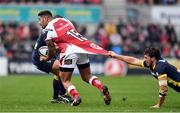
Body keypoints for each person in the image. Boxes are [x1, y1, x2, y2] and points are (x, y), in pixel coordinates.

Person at [37, 10, 111, 106]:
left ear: (45, 18)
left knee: (65, 80)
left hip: (68, 52)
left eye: (39, 20)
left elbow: (51, 50)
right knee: (87, 76)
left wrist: (46, 59)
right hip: (81, 49)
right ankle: (101, 87)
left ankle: (75, 97)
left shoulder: (47, 31)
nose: (39, 23)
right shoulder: (66, 21)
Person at [109, 47, 180, 108]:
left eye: (146, 58)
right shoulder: (152, 63)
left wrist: (158, 105)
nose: (144, 59)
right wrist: (116, 56)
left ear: (153, 58)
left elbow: (163, 87)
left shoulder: (160, 67)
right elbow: (134, 60)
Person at [32, 27, 72, 104]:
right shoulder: (48, 32)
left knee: (60, 73)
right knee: (62, 69)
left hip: (45, 55)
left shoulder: (50, 32)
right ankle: (61, 95)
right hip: (40, 58)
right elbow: (53, 47)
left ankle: (57, 97)